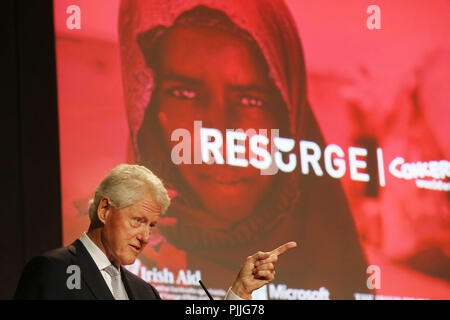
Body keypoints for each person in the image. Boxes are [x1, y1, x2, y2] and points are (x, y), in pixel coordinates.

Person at [118, 0, 371, 299]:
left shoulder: (337, 277)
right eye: (185, 93)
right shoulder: (107, 259)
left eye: (252, 100)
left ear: (289, 116)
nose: (220, 133)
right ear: (147, 107)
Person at [14, 164, 297, 299]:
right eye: (138, 220)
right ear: (104, 211)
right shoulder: (54, 270)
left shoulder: (144, 292)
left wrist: (239, 290)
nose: (146, 237)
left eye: (152, 226)